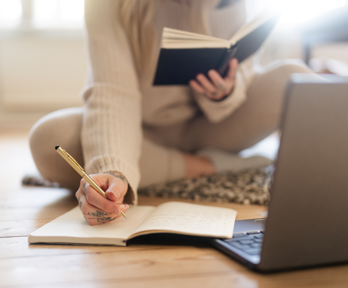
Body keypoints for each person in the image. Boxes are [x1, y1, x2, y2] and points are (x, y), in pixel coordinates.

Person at [29, 0, 311, 226]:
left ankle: (175, 164)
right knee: (49, 138)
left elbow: (246, 71)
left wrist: (225, 92)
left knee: (296, 78)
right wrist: (114, 171)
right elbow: (112, 92)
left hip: (209, 127)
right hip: (139, 136)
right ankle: (204, 165)